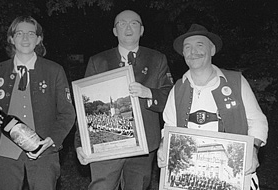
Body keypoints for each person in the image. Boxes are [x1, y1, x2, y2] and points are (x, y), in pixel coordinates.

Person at [157, 24, 268, 190]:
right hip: (191, 176)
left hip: (231, 175)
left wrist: (252, 150)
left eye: (199, 45)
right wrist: (163, 146)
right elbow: (169, 127)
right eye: (187, 47)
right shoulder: (178, 88)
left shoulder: (236, 82)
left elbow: (257, 121)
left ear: (213, 50)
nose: (193, 52)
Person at [75, 10, 173, 190]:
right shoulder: (98, 61)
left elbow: (170, 98)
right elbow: (84, 106)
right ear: (114, 31)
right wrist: (81, 143)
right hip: (106, 144)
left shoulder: (157, 59)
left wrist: (149, 92)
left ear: (142, 30)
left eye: (134, 23)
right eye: (122, 23)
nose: (128, 28)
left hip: (144, 147)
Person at [0, 16, 76, 190]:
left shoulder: (54, 71)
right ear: (11, 39)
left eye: (31, 34)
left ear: (39, 39)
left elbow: (67, 113)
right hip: (4, 155)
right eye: (19, 33)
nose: (25, 38)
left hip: (43, 153)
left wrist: (52, 139)